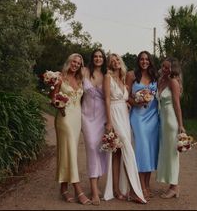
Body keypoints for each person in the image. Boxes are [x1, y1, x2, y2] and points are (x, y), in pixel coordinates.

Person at [103, 53, 146, 204]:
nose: (115, 62)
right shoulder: (107, 78)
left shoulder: (122, 79)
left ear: (120, 62)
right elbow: (107, 100)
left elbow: (125, 99)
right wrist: (109, 122)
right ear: (109, 65)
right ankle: (135, 191)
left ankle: (117, 190)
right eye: (112, 60)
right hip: (114, 116)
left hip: (124, 116)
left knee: (118, 154)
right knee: (128, 149)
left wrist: (133, 102)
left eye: (117, 59)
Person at [51, 53, 91, 205]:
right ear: (69, 62)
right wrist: (58, 105)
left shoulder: (80, 79)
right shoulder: (59, 77)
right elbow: (53, 98)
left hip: (77, 118)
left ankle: (63, 188)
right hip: (64, 118)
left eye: (78, 63)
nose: (75, 65)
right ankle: (78, 189)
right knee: (71, 152)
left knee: (69, 152)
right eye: (73, 62)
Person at [126, 51, 159, 201]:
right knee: (142, 149)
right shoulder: (132, 75)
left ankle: (147, 184)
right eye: (141, 59)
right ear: (138, 61)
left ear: (150, 61)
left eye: (147, 59)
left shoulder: (155, 76)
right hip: (138, 117)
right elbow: (126, 96)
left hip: (153, 118)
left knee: (151, 151)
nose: (144, 61)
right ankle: (140, 186)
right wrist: (137, 102)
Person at [156, 57, 186, 199]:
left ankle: (174, 187)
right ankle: (171, 184)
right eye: (163, 66)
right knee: (166, 153)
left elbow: (177, 105)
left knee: (173, 154)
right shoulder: (161, 80)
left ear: (173, 69)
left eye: (168, 67)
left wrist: (180, 125)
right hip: (162, 120)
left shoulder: (173, 82)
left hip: (171, 121)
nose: (164, 69)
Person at [81, 48, 108, 206]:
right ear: (92, 58)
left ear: (103, 59)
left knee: (98, 149)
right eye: (95, 56)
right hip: (86, 115)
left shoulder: (106, 76)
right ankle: (94, 189)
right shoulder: (84, 71)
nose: (98, 59)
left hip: (102, 117)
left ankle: (95, 187)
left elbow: (112, 96)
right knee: (91, 147)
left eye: (101, 56)